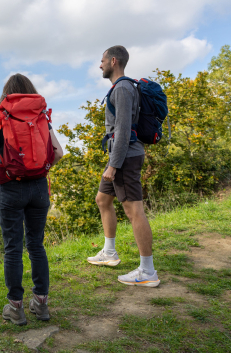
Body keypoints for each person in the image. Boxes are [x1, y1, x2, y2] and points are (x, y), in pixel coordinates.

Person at [0, 73, 64, 325]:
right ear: (30, 91)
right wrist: (43, 170)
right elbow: (58, 152)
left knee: (13, 248)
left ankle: (15, 308)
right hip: (39, 187)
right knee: (36, 245)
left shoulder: (0, 115)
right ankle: (41, 305)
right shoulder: (41, 115)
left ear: (7, 91)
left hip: (11, 187)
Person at [87, 46, 160, 287]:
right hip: (119, 157)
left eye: (102, 60)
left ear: (113, 61)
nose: (100, 65)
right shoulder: (122, 88)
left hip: (125, 158)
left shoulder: (123, 88)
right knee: (102, 199)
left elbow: (123, 130)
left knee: (133, 211)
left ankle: (147, 271)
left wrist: (114, 165)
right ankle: (109, 253)